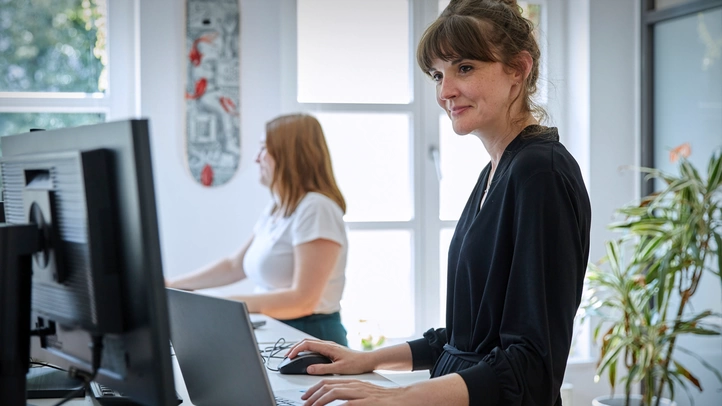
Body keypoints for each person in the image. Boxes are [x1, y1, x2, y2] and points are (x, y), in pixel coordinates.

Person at [285, 0, 592, 404]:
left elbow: (531, 368)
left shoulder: (541, 173)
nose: (445, 91)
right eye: (437, 74)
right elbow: (465, 339)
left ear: (518, 69)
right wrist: (365, 360)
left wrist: (395, 396)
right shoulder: (497, 171)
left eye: (464, 68)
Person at [167, 113, 349, 346]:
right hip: (281, 331)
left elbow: (303, 300)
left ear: (289, 156)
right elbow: (235, 265)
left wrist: (220, 306)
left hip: (311, 335)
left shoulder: (317, 209)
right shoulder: (278, 207)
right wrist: (173, 285)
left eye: (264, 149)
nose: (256, 158)